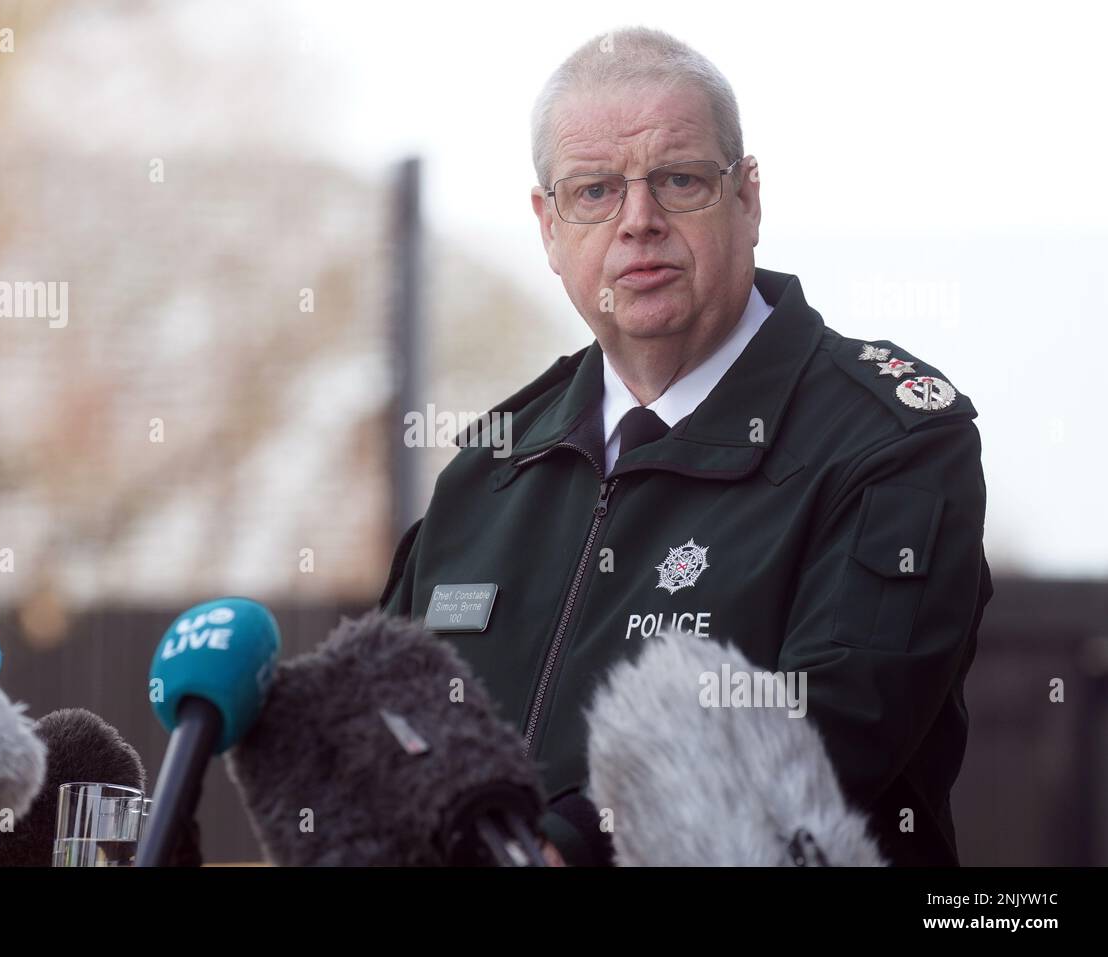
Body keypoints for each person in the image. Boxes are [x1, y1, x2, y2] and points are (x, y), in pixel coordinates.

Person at [380, 26, 990, 867]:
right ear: (548, 226)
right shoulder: (486, 474)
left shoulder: (891, 443)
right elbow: (380, 750)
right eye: (594, 190)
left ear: (748, 198)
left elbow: (820, 739)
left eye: (678, 180)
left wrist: (563, 851)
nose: (639, 222)